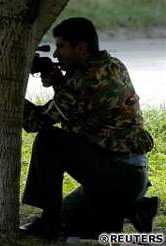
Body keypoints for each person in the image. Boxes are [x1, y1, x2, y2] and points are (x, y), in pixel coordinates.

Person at [21, 17, 159, 240]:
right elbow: (81, 107)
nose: (56, 55)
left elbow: (35, 122)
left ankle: (50, 224)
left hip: (117, 176)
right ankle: (135, 207)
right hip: (127, 174)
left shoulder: (84, 80)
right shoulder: (112, 64)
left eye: (61, 46)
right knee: (76, 223)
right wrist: (58, 79)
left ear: (81, 47)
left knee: (50, 140)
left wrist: (9, 96)